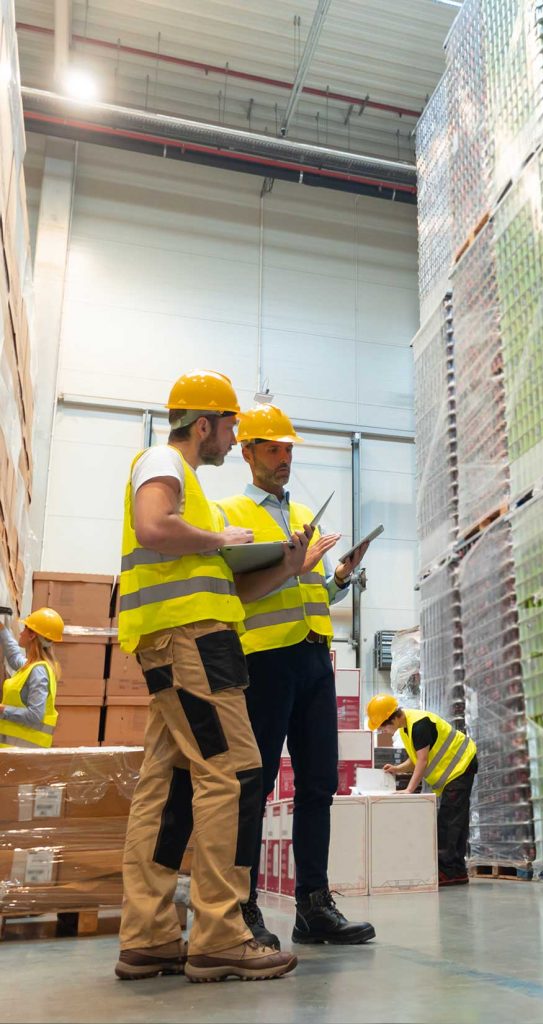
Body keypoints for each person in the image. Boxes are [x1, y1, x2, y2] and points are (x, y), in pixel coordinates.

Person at [115, 370, 311, 984]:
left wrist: (289, 565)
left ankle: (147, 935)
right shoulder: (160, 462)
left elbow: (232, 590)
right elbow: (153, 525)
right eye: (230, 425)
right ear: (203, 425)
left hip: (185, 647)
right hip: (192, 648)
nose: (234, 436)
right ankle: (221, 935)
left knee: (163, 787)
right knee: (232, 772)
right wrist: (219, 536)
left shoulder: (191, 488)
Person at [217, 403, 375, 946]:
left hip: (313, 660)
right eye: (273, 448)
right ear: (248, 452)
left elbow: (312, 593)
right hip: (264, 661)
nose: (284, 458)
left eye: (289, 450)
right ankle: (242, 907)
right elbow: (237, 594)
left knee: (318, 786)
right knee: (253, 788)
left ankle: (313, 905)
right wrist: (295, 568)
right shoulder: (231, 514)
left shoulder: (305, 513)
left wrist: (339, 579)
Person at [366, 695, 477, 886]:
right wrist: (397, 768)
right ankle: (457, 871)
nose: (383, 730)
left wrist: (409, 789)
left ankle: (448, 872)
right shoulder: (406, 728)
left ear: (390, 718)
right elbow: (416, 760)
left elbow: (423, 761)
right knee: (455, 820)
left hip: (461, 765)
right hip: (456, 770)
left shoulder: (419, 725)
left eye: (382, 726)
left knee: (448, 822)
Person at [0, 607, 64, 748]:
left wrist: (3, 710)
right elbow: (14, 657)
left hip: (21, 756)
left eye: (25, 629)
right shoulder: (33, 666)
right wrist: (2, 630)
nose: (21, 633)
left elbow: (35, 715)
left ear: (32, 636)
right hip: (15, 754)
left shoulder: (38, 671)